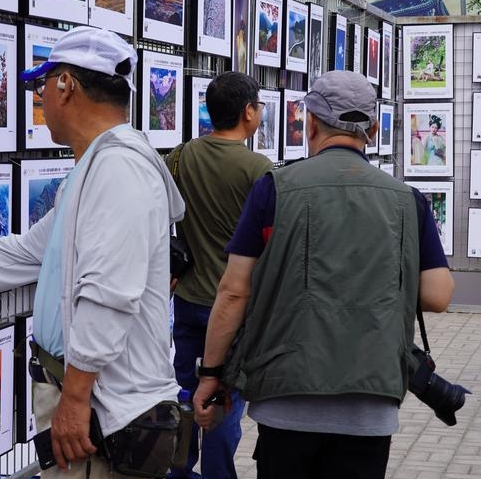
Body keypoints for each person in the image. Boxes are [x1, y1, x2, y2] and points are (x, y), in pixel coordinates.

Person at [0, 26, 186, 478]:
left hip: (103, 410)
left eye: (41, 85)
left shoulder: (119, 169)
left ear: (66, 85)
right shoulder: (96, 168)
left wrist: (75, 398)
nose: (39, 98)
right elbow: (30, 253)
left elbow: (109, 294)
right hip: (88, 399)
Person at [192, 70, 454, 479]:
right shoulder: (409, 201)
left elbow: (234, 292)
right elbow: (438, 295)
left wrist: (211, 374)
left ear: (311, 123)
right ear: (371, 130)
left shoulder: (273, 189)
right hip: (369, 402)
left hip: (286, 399)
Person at [166, 72, 272, 479]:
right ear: (248, 112)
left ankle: (178, 470)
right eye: (259, 106)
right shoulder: (258, 169)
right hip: (232, 309)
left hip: (188, 299)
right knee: (224, 401)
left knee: (186, 394)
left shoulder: (180, 157)